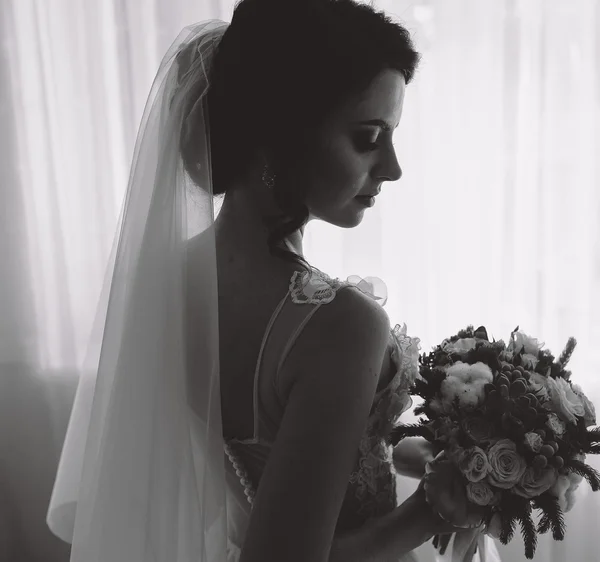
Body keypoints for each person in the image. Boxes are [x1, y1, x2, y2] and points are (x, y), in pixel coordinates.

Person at [47, 1, 488, 561]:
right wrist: (439, 507)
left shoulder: (162, 284)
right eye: (368, 137)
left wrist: (420, 456)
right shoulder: (341, 325)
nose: (393, 167)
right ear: (282, 137)